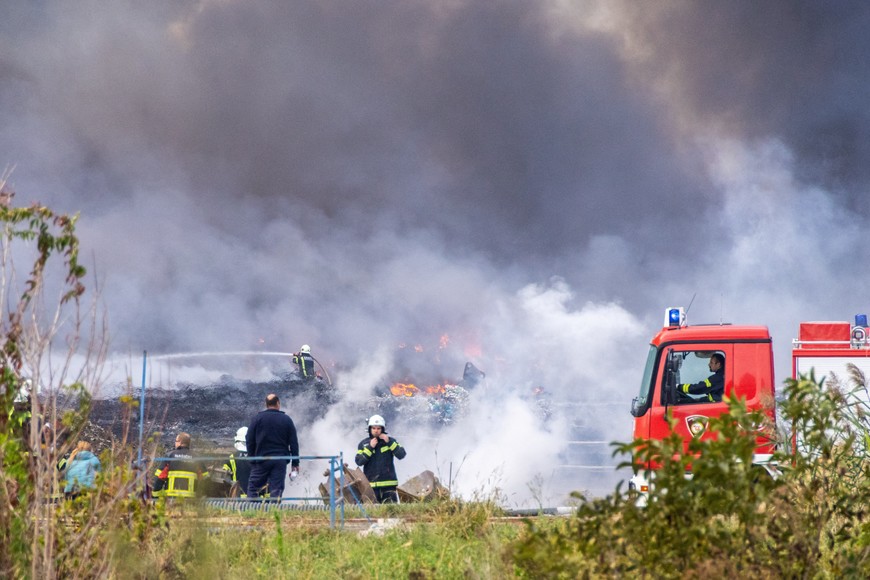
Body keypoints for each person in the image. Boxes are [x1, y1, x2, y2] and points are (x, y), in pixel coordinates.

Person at [246, 394, 299, 499]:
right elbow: (294, 443)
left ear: (266, 404)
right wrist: (295, 463)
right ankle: (274, 512)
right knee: (276, 489)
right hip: (280, 461)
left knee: (254, 489)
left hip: (261, 459)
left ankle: (251, 512)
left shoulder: (257, 419)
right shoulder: (287, 420)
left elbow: (249, 440)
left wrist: (253, 458)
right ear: (278, 403)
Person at [355, 414, 406, 503]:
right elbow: (359, 461)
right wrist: (370, 447)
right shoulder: (364, 444)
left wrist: (389, 442)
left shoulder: (390, 441)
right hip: (370, 487)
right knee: (372, 513)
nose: (376, 431)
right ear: (369, 429)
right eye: (374, 428)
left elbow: (401, 455)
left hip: (389, 486)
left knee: (391, 512)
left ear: (382, 429)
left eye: (378, 428)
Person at [152, 432, 201, 498]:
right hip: (190, 500)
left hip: (172, 498)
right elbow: (205, 479)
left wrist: (155, 496)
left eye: (176, 441)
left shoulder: (170, 456)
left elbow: (160, 477)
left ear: (180, 442)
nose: (175, 443)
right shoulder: (196, 457)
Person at [222, 426, 252, 498]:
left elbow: (224, 475)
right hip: (255, 499)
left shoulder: (232, 457)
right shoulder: (257, 457)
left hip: (237, 497)